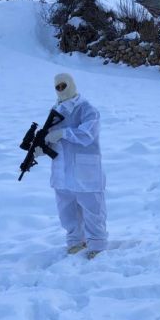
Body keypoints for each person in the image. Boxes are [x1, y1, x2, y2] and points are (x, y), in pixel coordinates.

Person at [39, 73, 108, 259]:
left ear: (72, 84)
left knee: (92, 209)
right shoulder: (56, 110)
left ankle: (98, 245)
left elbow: (87, 135)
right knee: (67, 211)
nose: (61, 89)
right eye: (57, 87)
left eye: (64, 85)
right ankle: (75, 242)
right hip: (61, 170)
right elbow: (52, 139)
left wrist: (63, 133)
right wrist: (42, 148)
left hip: (85, 171)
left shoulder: (86, 109)